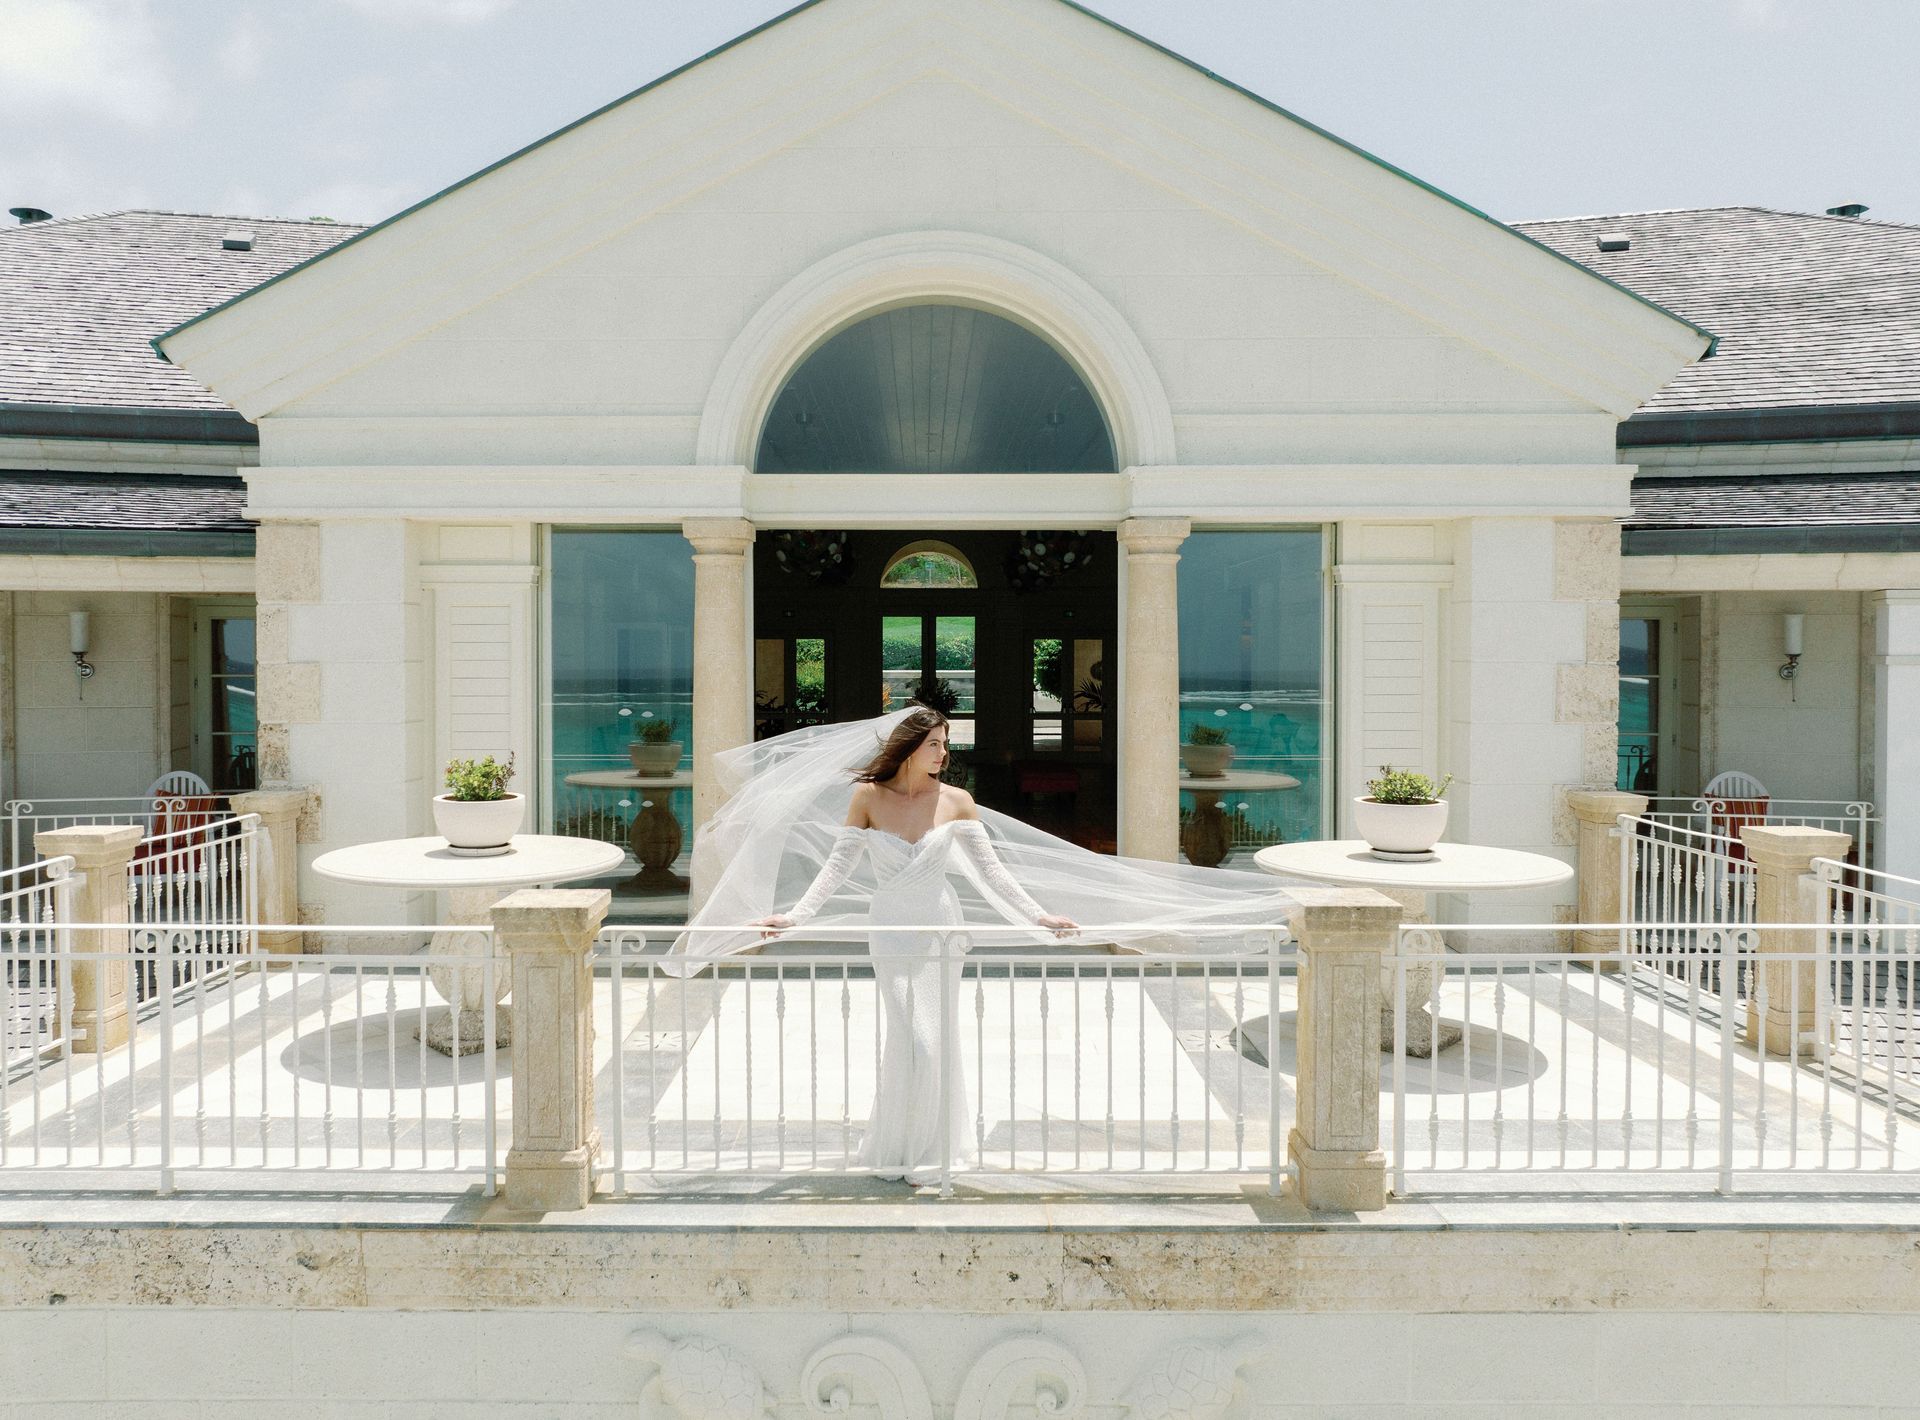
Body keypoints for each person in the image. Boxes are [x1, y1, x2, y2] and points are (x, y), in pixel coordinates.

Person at [668, 704, 1303, 1179]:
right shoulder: (868, 798)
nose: (944, 754)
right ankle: (897, 1150)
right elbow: (836, 870)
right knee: (907, 1037)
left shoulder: (959, 802)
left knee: (933, 1036)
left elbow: (993, 875)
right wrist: (795, 919)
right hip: (892, 929)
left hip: (943, 928)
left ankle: (934, 1152)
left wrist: (1039, 919)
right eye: (936, 745)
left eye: (946, 745)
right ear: (910, 747)